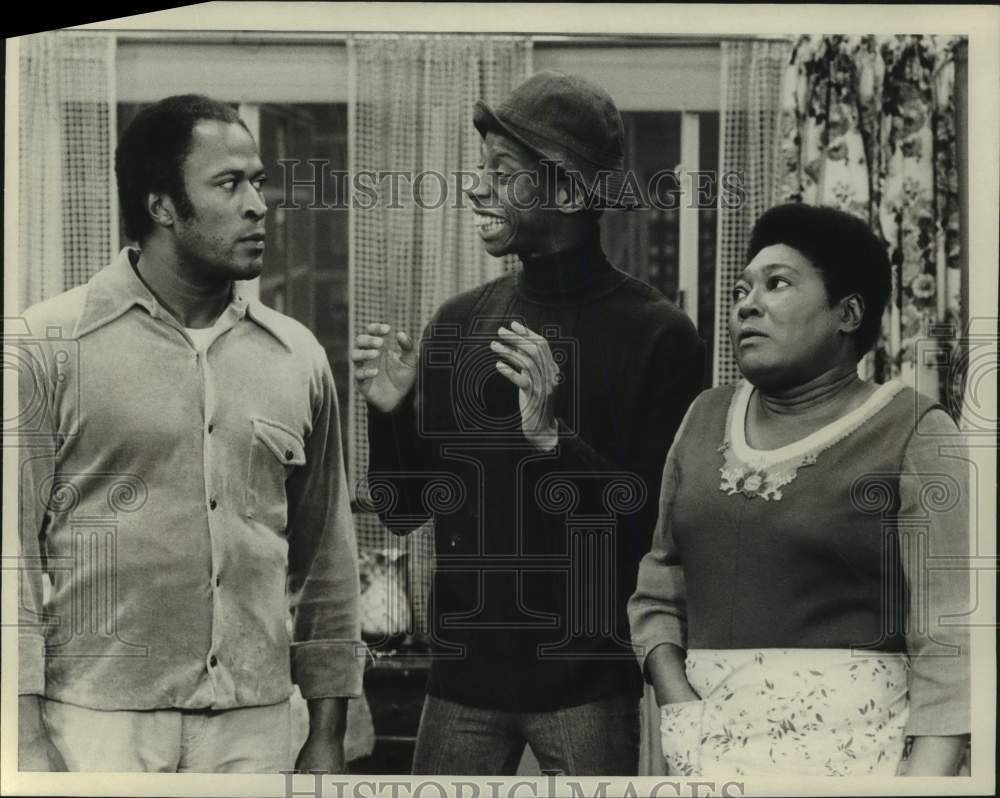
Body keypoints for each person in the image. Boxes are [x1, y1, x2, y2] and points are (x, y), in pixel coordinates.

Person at [353, 71, 705, 776]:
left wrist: (551, 439)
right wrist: (389, 412)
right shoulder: (457, 322)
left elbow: (655, 532)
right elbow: (401, 510)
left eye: (503, 173)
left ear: (572, 192)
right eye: (481, 169)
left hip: (588, 688)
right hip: (457, 688)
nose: (477, 188)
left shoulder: (661, 337)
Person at [16, 95, 363, 773]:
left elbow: (327, 561)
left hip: (255, 728)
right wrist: (23, 736)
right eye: (229, 184)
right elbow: (11, 561)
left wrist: (328, 733)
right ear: (162, 207)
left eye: (257, 182)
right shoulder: (46, 347)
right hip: (97, 726)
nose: (258, 205)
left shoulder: (297, 357)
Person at [628, 202, 971, 777]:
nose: (745, 305)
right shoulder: (703, 418)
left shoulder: (915, 430)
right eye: (741, 289)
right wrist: (678, 703)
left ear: (848, 313)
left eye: (777, 284)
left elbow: (950, 638)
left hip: (863, 761)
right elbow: (659, 588)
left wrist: (923, 785)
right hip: (706, 755)